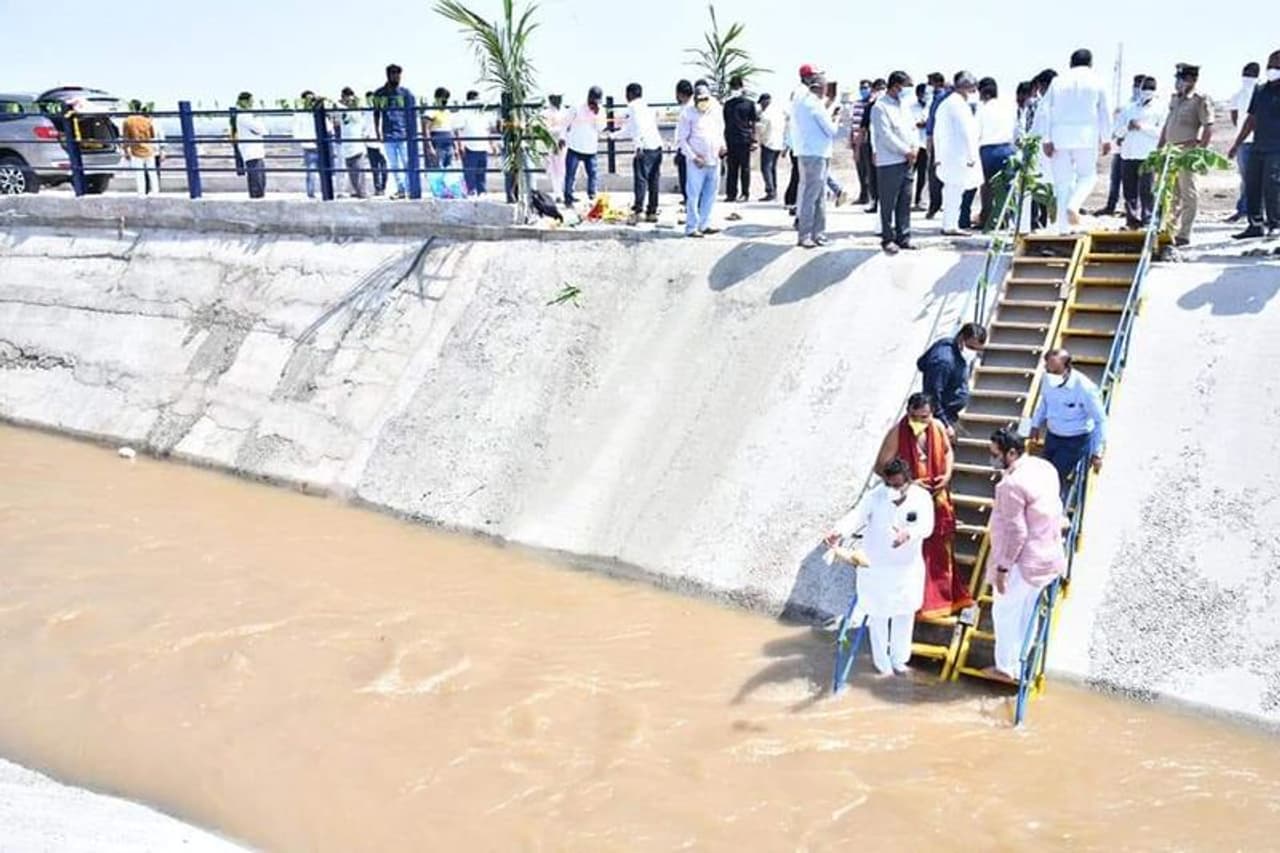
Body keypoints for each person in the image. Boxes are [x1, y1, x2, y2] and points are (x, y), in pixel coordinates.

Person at [826, 458, 935, 677]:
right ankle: (882, 664)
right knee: (878, 615)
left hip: (906, 569)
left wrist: (909, 533)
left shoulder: (921, 498)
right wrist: (839, 531)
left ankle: (899, 660)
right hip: (876, 567)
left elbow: (927, 526)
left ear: (907, 481)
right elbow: (857, 516)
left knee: (904, 614)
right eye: (889, 485)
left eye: (897, 485)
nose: (892, 489)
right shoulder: (875, 496)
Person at [875, 393, 972, 617]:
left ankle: (944, 598)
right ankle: (916, 601)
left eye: (925, 417)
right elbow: (881, 466)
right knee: (916, 548)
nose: (920, 421)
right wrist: (907, 482)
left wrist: (947, 475)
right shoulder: (898, 432)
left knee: (940, 546)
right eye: (916, 417)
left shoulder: (937, 426)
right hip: (912, 501)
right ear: (908, 413)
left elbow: (948, 452)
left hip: (937, 497)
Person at [984, 428, 1067, 683]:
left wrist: (1002, 568)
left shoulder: (1011, 485)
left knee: (1005, 612)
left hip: (1022, 561)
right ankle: (1019, 665)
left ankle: (1005, 668)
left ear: (1011, 452)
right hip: (1048, 554)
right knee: (1026, 611)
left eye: (996, 455)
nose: (993, 460)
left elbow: (1016, 531)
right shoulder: (1044, 468)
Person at [1034, 49, 1111, 234]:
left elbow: (1044, 111)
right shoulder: (1097, 80)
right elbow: (1104, 112)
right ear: (1091, 63)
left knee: (1062, 183)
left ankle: (1063, 227)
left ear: (1071, 63)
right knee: (1088, 176)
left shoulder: (1057, 81)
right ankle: (1074, 206)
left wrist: (1046, 139)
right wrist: (1107, 138)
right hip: (1086, 137)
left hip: (1059, 138)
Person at [1028, 349, 1107, 498]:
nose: (1050, 374)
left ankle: (1055, 513)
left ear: (1066, 367)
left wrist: (1098, 453)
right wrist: (1035, 424)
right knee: (1043, 473)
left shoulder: (1084, 388)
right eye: (1048, 369)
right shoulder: (1048, 378)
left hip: (1075, 440)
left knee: (1055, 478)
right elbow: (1044, 402)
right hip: (1053, 436)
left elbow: (1100, 420)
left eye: (1055, 371)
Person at [1159, 63, 1215, 247]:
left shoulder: (1200, 100)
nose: (1178, 83)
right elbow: (1167, 125)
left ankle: (1184, 233)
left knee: (1188, 193)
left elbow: (1208, 127)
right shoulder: (1175, 99)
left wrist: (1200, 153)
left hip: (1187, 152)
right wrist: (1160, 147)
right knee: (1171, 193)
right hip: (1170, 151)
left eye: (1181, 79)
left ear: (1192, 79)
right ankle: (1170, 229)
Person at [1229, 49, 1280, 240]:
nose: (1272, 69)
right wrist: (1236, 144)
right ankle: (1255, 224)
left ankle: (1275, 224)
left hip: (1277, 149)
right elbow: (1251, 120)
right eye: (1270, 65)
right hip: (1258, 146)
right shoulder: (1260, 90)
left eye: (1276, 66)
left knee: (1272, 186)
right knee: (1252, 185)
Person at [870, 71, 918, 254]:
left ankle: (903, 236)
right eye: (905, 87)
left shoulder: (905, 106)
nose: (907, 92)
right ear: (895, 86)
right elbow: (885, 135)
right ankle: (887, 238)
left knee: (905, 201)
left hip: (908, 159)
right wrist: (905, 151)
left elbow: (911, 129)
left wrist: (914, 148)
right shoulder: (880, 107)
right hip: (890, 161)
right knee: (888, 202)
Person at [791, 73, 839, 249]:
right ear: (819, 87)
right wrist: (835, 117)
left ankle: (818, 233)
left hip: (810, 152)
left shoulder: (802, 100)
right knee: (812, 196)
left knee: (819, 196)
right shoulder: (814, 104)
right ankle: (806, 235)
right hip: (815, 153)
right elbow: (831, 130)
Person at [916, 322, 987, 439]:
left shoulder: (949, 346)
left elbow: (921, 363)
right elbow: (932, 394)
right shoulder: (944, 361)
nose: (974, 352)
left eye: (978, 349)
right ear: (961, 339)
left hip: (948, 414)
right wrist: (944, 423)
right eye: (971, 347)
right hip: (939, 417)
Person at [934, 72, 981, 237]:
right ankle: (950, 226)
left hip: (948, 155)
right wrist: (971, 157)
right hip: (958, 156)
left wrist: (937, 157)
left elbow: (936, 134)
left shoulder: (946, 103)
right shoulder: (958, 105)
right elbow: (965, 133)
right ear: (967, 87)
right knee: (955, 192)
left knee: (952, 192)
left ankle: (949, 224)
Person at [676, 82, 724, 237]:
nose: (703, 102)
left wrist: (723, 146)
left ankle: (705, 224)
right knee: (693, 195)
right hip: (697, 163)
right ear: (695, 99)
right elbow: (682, 140)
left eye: (706, 99)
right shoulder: (687, 114)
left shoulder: (715, 112)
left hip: (714, 159)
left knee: (711, 194)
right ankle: (691, 227)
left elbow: (719, 132)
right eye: (700, 99)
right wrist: (693, 157)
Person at [1092, 75, 1144, 217]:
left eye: (1140, 85)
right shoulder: (1127, 106)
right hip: (1120, 150)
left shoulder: (1145, 108)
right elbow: (1117, 127)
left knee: (1136, 183)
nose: (1137, 88)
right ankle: (1111, 206)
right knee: (1115, 180)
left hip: (1136, 151)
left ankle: (1135, 211)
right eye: (1135, 84)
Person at [614, 82, 664, 222]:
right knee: (654, 180)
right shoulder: (646, 107)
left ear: (629, 94)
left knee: (640, 180)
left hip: (644, 148)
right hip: (657, 146)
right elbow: (631, 128)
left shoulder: (632, 107)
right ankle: (652, 212)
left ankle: (638, 211)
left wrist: (638, 146)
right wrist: (614, 136)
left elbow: (636, 128)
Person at [1116, 76, 1161, 229]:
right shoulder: (1129, 108)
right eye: (1144, 88)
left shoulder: (1159, 109)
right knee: (1129, 189)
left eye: (1150, 88)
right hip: (1128, 154)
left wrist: (1142, 127)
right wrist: (1127, 128)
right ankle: (1132, 219)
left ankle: (1148, 219)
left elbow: (1161, 132)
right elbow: (1117, 131)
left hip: (1148, 154)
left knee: (1147, 189)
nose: (1146, 92)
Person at [976, 77, 1017, 230]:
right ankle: (1007, 219)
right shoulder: (1007, 107)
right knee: (1007, 188)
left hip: (988, 150)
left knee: (987, 186)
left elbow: (977, 132)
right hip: (1007, 149)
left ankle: (987, 219)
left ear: (983, 93)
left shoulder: (982, 109)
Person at [373, 64, 417, 199]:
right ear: (388, 75)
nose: (397, 76)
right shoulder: (379, 94)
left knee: (407, 163)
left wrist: (412, 132)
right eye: (394, 73)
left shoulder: (406, 93)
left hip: (404, 134)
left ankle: (411, 190)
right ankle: (401, 190)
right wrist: (377, 132)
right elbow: (376, 114)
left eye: (398, 73)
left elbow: (412, 114)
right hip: (388, 133)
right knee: (394, 166)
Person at [561, 86, 605, 208]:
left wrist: (596, 115)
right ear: (588, 97)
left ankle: (592, 196)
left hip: (591, 148)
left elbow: (601, 128)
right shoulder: (577, 106)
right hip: (574, 146)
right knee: (570, 174)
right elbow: (565, 123)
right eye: (592, 100)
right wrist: (562, 137)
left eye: (596, 101)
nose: (593, 103)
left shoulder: (601, 110)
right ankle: (568, 198)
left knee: (593, 174)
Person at [1227, 63, 1261, 224]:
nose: (1249, 77)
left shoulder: (1262, 92)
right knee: (1246, 178)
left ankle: (1260, 213)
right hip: (1244, 142)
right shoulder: (1237, 96)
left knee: (1262, 178)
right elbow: (1235, 117)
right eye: (1247, 73)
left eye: (1252, 73)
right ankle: (1243, 209)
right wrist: (1241, 133)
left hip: (1262, 141)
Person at [722, 75, 758, 202]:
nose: (735, 89)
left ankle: (745, 193)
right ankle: (731, 194)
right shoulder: (728, 104)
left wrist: (754, 140)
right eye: (733, 86)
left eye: (737, 86)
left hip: (744, 139)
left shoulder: (749, 104)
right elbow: (724, 123)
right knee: (731, 168)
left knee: (745, 168)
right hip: (730, 139)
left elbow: (753, 123)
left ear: (741, 87)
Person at [923, 71, 950, 219]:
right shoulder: (940, 97)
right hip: (942, 140)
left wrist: (929, 138)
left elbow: (932, 121)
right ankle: (937, 205)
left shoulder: (941, 97)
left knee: (934, 174)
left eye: (930, 83)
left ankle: (935, 206)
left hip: (938, 140)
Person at [457, 91, 495, 197]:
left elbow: (488, 130)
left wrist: (492, 144)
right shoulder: (463, 113)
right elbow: (458, 130)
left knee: (481, 172)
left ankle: (482, 192)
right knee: (470, 173)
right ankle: (471, 192)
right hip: (469, 147)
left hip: (483, 146)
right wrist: (460, 145)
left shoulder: (483, 114)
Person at [231, 91, 267, 199]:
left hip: (256, 150)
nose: (252, 104)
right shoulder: (243, 116)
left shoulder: (248, 115)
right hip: (251, 151)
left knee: (260, 177)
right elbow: (260, 129)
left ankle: (258, 196)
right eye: (250, 101)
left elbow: (262, 130)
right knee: (256, 177)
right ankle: (256, 198)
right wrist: (258, 123)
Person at [120, 100, 158, 197]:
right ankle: (155, 192)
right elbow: (152, 135)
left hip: (136, 150)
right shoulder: (147, 120)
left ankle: (141, 194)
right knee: (152, 172)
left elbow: (126, 138)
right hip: (149, 149)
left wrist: (125, 150)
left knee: (139, 174)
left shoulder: (127, 121)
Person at [336, 88, 369, 199]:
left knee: (359, 171)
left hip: (356, 147)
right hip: (347, 147)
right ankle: (357, 191)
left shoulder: (356, 113)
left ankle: (363, 192)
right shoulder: (342, 112)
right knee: (352, 173)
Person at [291, 90, 320, 199]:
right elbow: (296, 133)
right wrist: (307, 140)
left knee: (324, 171)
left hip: (321, 145)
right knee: (311, 172)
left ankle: (325, 193)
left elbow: (329, 127)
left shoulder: (317, 112)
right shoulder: (300, 115)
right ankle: (311, 193)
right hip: (310, 146)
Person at [541, 94, 570, 200]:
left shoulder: (566, 111)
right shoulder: (546, 113)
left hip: (564, 142)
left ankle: (564, 191)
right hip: (552, 142)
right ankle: (558, 193)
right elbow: (545, 128)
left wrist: (563, 137)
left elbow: (568, 127)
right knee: (554, 169)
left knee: (564, 168)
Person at [424, 87, 459, 171]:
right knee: (437, 171)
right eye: (442, 98)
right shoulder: (430, 112)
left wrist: (456, 147)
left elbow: (453, 130)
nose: (444, 100)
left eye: (446, 98)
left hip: (449, 144)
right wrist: (430, 147)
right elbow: (426, 130)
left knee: (449, 171)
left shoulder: (448, 112)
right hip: (437, 144)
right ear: (436, 98)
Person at [757, 93, 784, 202]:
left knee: (765, 168)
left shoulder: (765, 114)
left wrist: (758, 139)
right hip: (778, 143)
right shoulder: (778, 112)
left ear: (765, 102)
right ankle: (774, 190)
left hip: (768, 143)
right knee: (772, 168)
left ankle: (770, 191)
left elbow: (761, 130)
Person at [850, 79, 873, 204]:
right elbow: (853, 122)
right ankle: (863, 194)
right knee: (860, 169)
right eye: (861, 88)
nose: (863, 90)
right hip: (856, 139)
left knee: (869, 169)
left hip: (866, 140)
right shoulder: (857, 104)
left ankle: (869, 194)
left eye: (865, 87)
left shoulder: (871, 104)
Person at [672, 80, 694, 203]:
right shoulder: (688, 106)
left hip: (687, 148)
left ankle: (689, 199)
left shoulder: (687, 108)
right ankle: (689, 199)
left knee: (686, 176)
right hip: (688, 146)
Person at [363, 90, 387, 196]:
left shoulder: (382, 111)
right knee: (375, 168)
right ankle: (378, 188)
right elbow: (363, 127)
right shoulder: (365, 112)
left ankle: (383, 187)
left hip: (382, 143)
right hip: (370, 143)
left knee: (384, 166)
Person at [910, 83, 930, 209]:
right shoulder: (911, 107)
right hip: (913, 144)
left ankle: (919, 201)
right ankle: (905, 200)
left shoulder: (930, 107)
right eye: (923, 93)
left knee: (923, 175)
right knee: (909, 174)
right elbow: (911, 124)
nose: (925, 96)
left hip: (925, 145)